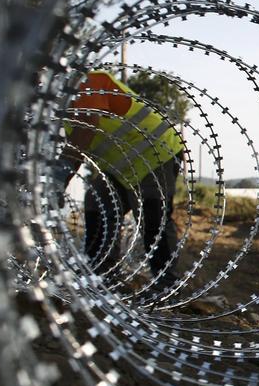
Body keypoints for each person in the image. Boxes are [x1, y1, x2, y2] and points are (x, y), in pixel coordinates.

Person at [56, 70, 185, 303]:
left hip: (155, 153)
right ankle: (102, 276)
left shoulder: (89, 83)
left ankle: (168, 286)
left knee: (151, 216)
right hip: (122, 167)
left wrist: (58, 178)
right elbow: (79, 146)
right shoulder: (67, 108)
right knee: (98, 204)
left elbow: (86, 128)